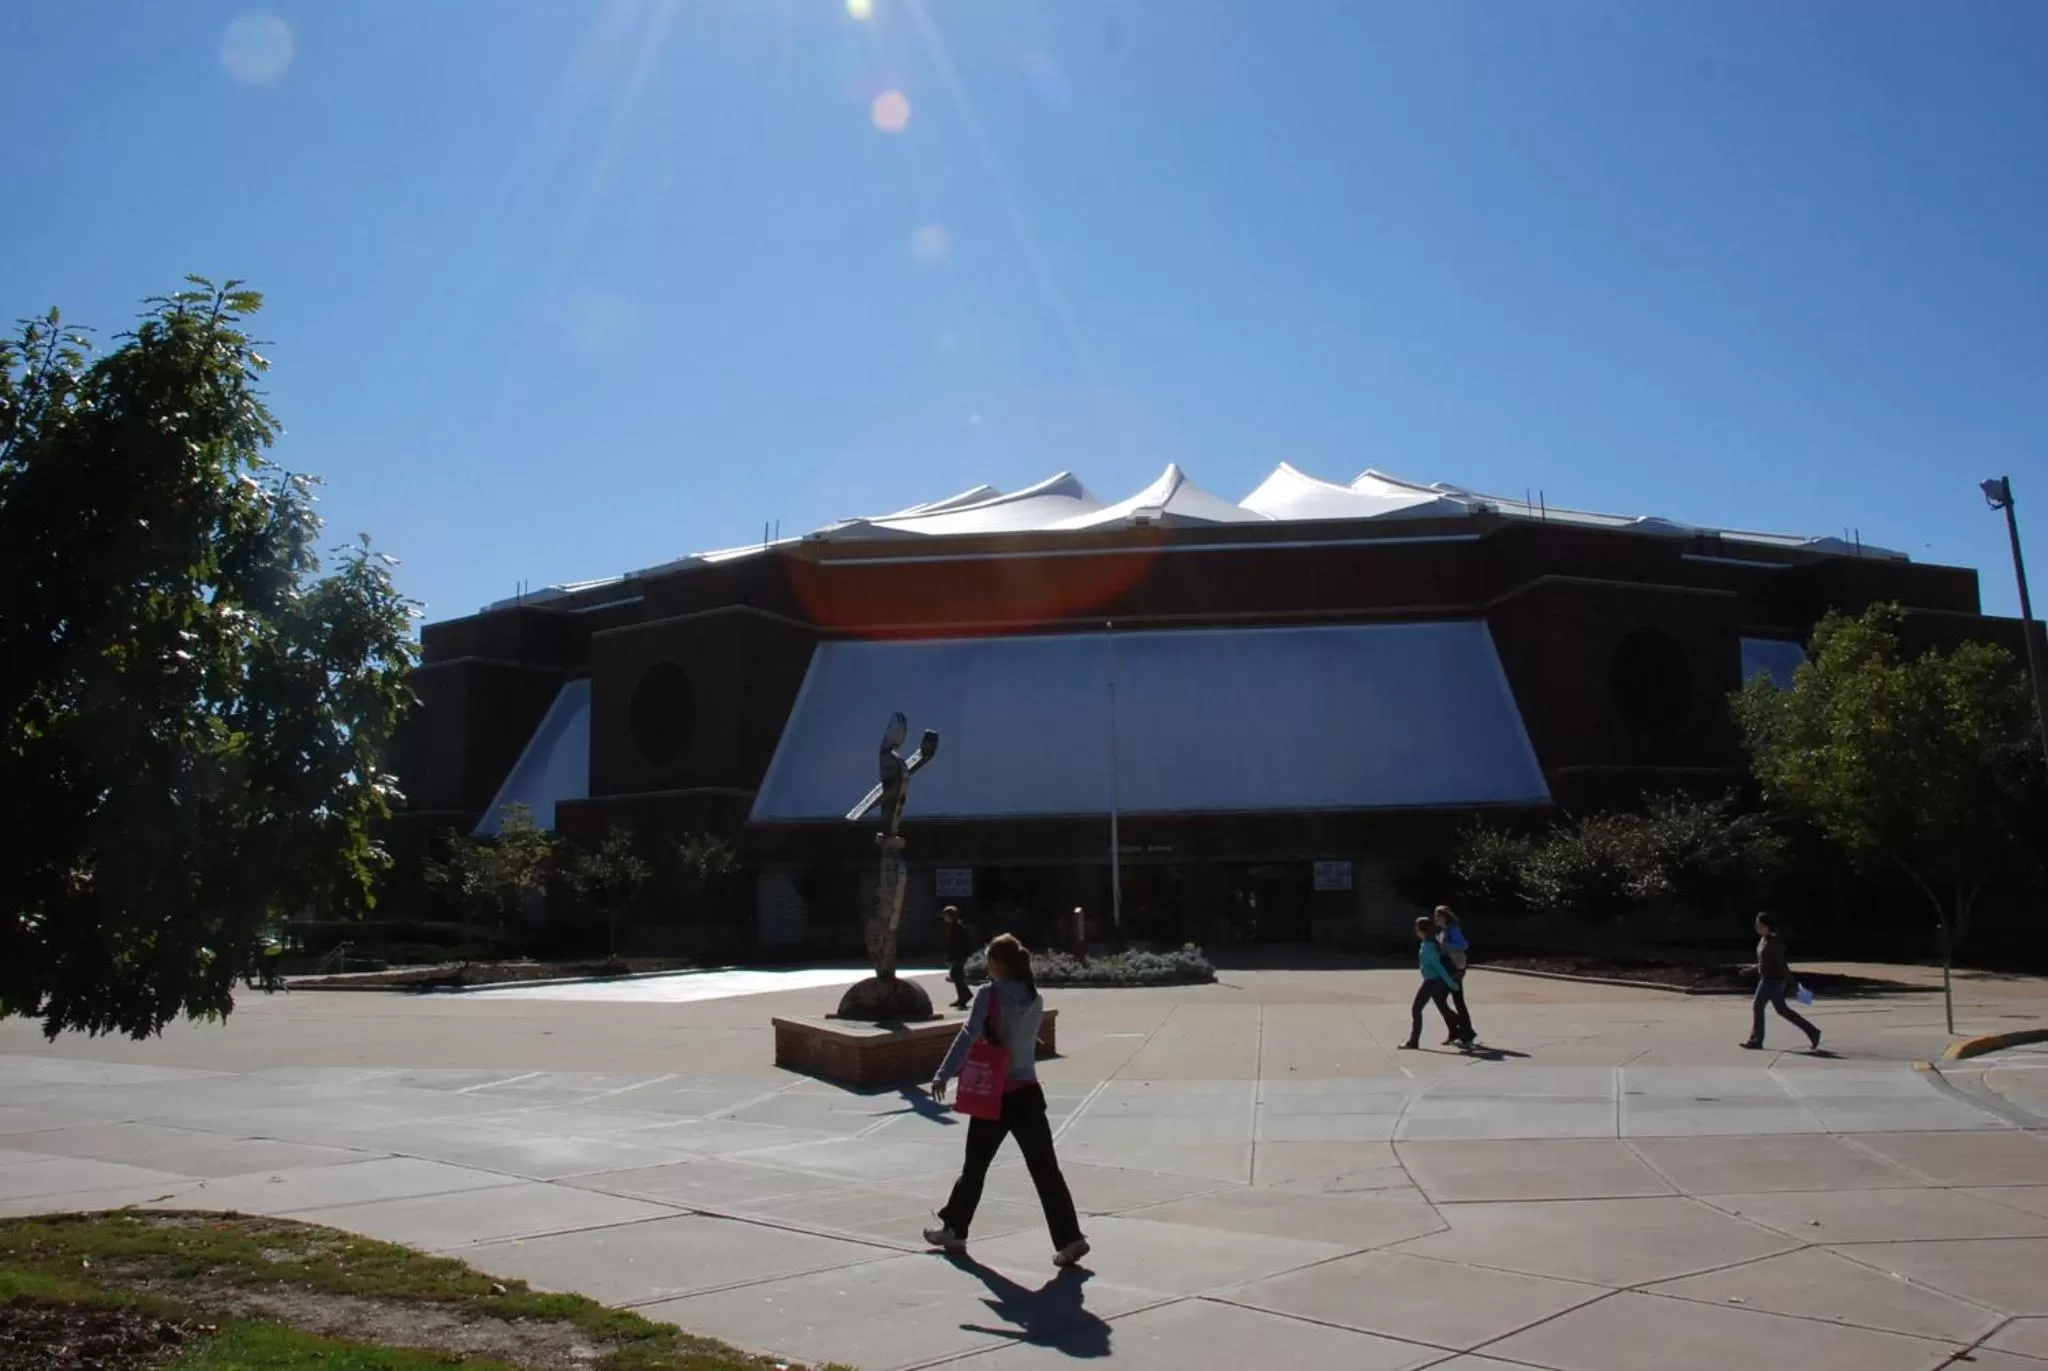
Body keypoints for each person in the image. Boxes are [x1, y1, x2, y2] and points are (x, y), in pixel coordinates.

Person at [926, 934, 1090, 1268]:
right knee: (1046, 1170)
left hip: (996, 1096)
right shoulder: (1034, 996)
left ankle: (955, 1230)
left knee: (975, 1168)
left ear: (997, 964)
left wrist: (944, 1072)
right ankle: (1070, 1239)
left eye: (989, 962)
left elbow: (968, 1034)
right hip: (1029, 1094)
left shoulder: (990, 994)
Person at [1743, 911, 1821, 1052]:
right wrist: (1750, 970)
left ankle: (1756, 1040)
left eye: (1759, 924)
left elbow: (1781, 963)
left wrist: (1792, 982)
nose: (1756, 927)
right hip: (1769, 978)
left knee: (1757, 1005)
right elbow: (1763, 962)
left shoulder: (1774, 942)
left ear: (1767, 926)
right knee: (1782, 1010)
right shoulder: (1764, 940)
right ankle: (1812, 1032)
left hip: (1773, 980)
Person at [1401, 916, 1474, 1051]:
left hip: (1432, 982)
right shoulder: (1426, 943)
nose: (1415, 931)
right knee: (1443, 1008)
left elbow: (1439, 968)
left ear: (1423, 930)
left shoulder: (1429, 947)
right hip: (1432, 981)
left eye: (1417, 928)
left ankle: (1413, 1041)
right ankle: (1463, 1030)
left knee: (1416, 1009)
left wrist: (1451, 984)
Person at [1433, 906, 1475, 1046]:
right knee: (1446, 1000)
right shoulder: (1443, 931)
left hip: (1454, 969)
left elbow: (1463, 945)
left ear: (1445, 916)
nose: (1436, 918)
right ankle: (1458, 1031)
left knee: (1453, 1001)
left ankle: (1466, 1033)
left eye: (1438, 916)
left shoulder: (1453, 929)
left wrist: (1445, 946)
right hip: (1446, 969)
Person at [941, 905, 976, 1010]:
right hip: (958, 955)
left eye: (946, 916)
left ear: (951, 916)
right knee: (956, 975)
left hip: (959, 955)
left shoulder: (958, 928)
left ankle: (965, 996)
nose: (944, 918)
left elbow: (957, 944)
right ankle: (963, 997)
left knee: (956, 975)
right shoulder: (954, 926)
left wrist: (952, 956)